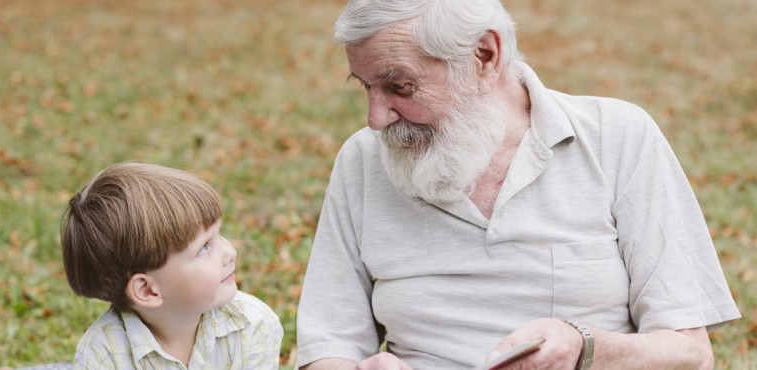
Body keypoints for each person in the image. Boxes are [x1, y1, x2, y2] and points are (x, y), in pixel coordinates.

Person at [295, 1, 741, 369]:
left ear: (485, 55)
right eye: (366, 87)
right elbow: (328, 343)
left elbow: (690, 353)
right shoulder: (364, 158)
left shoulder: (617, 137)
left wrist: (584, 346)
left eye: (400, 86)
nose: (376, 118)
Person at [60, 162, 283, 369]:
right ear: (148, 290)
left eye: (218, 235)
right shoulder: (104, 354)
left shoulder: (253, 323)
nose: (230, 253)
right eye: (204, 248)